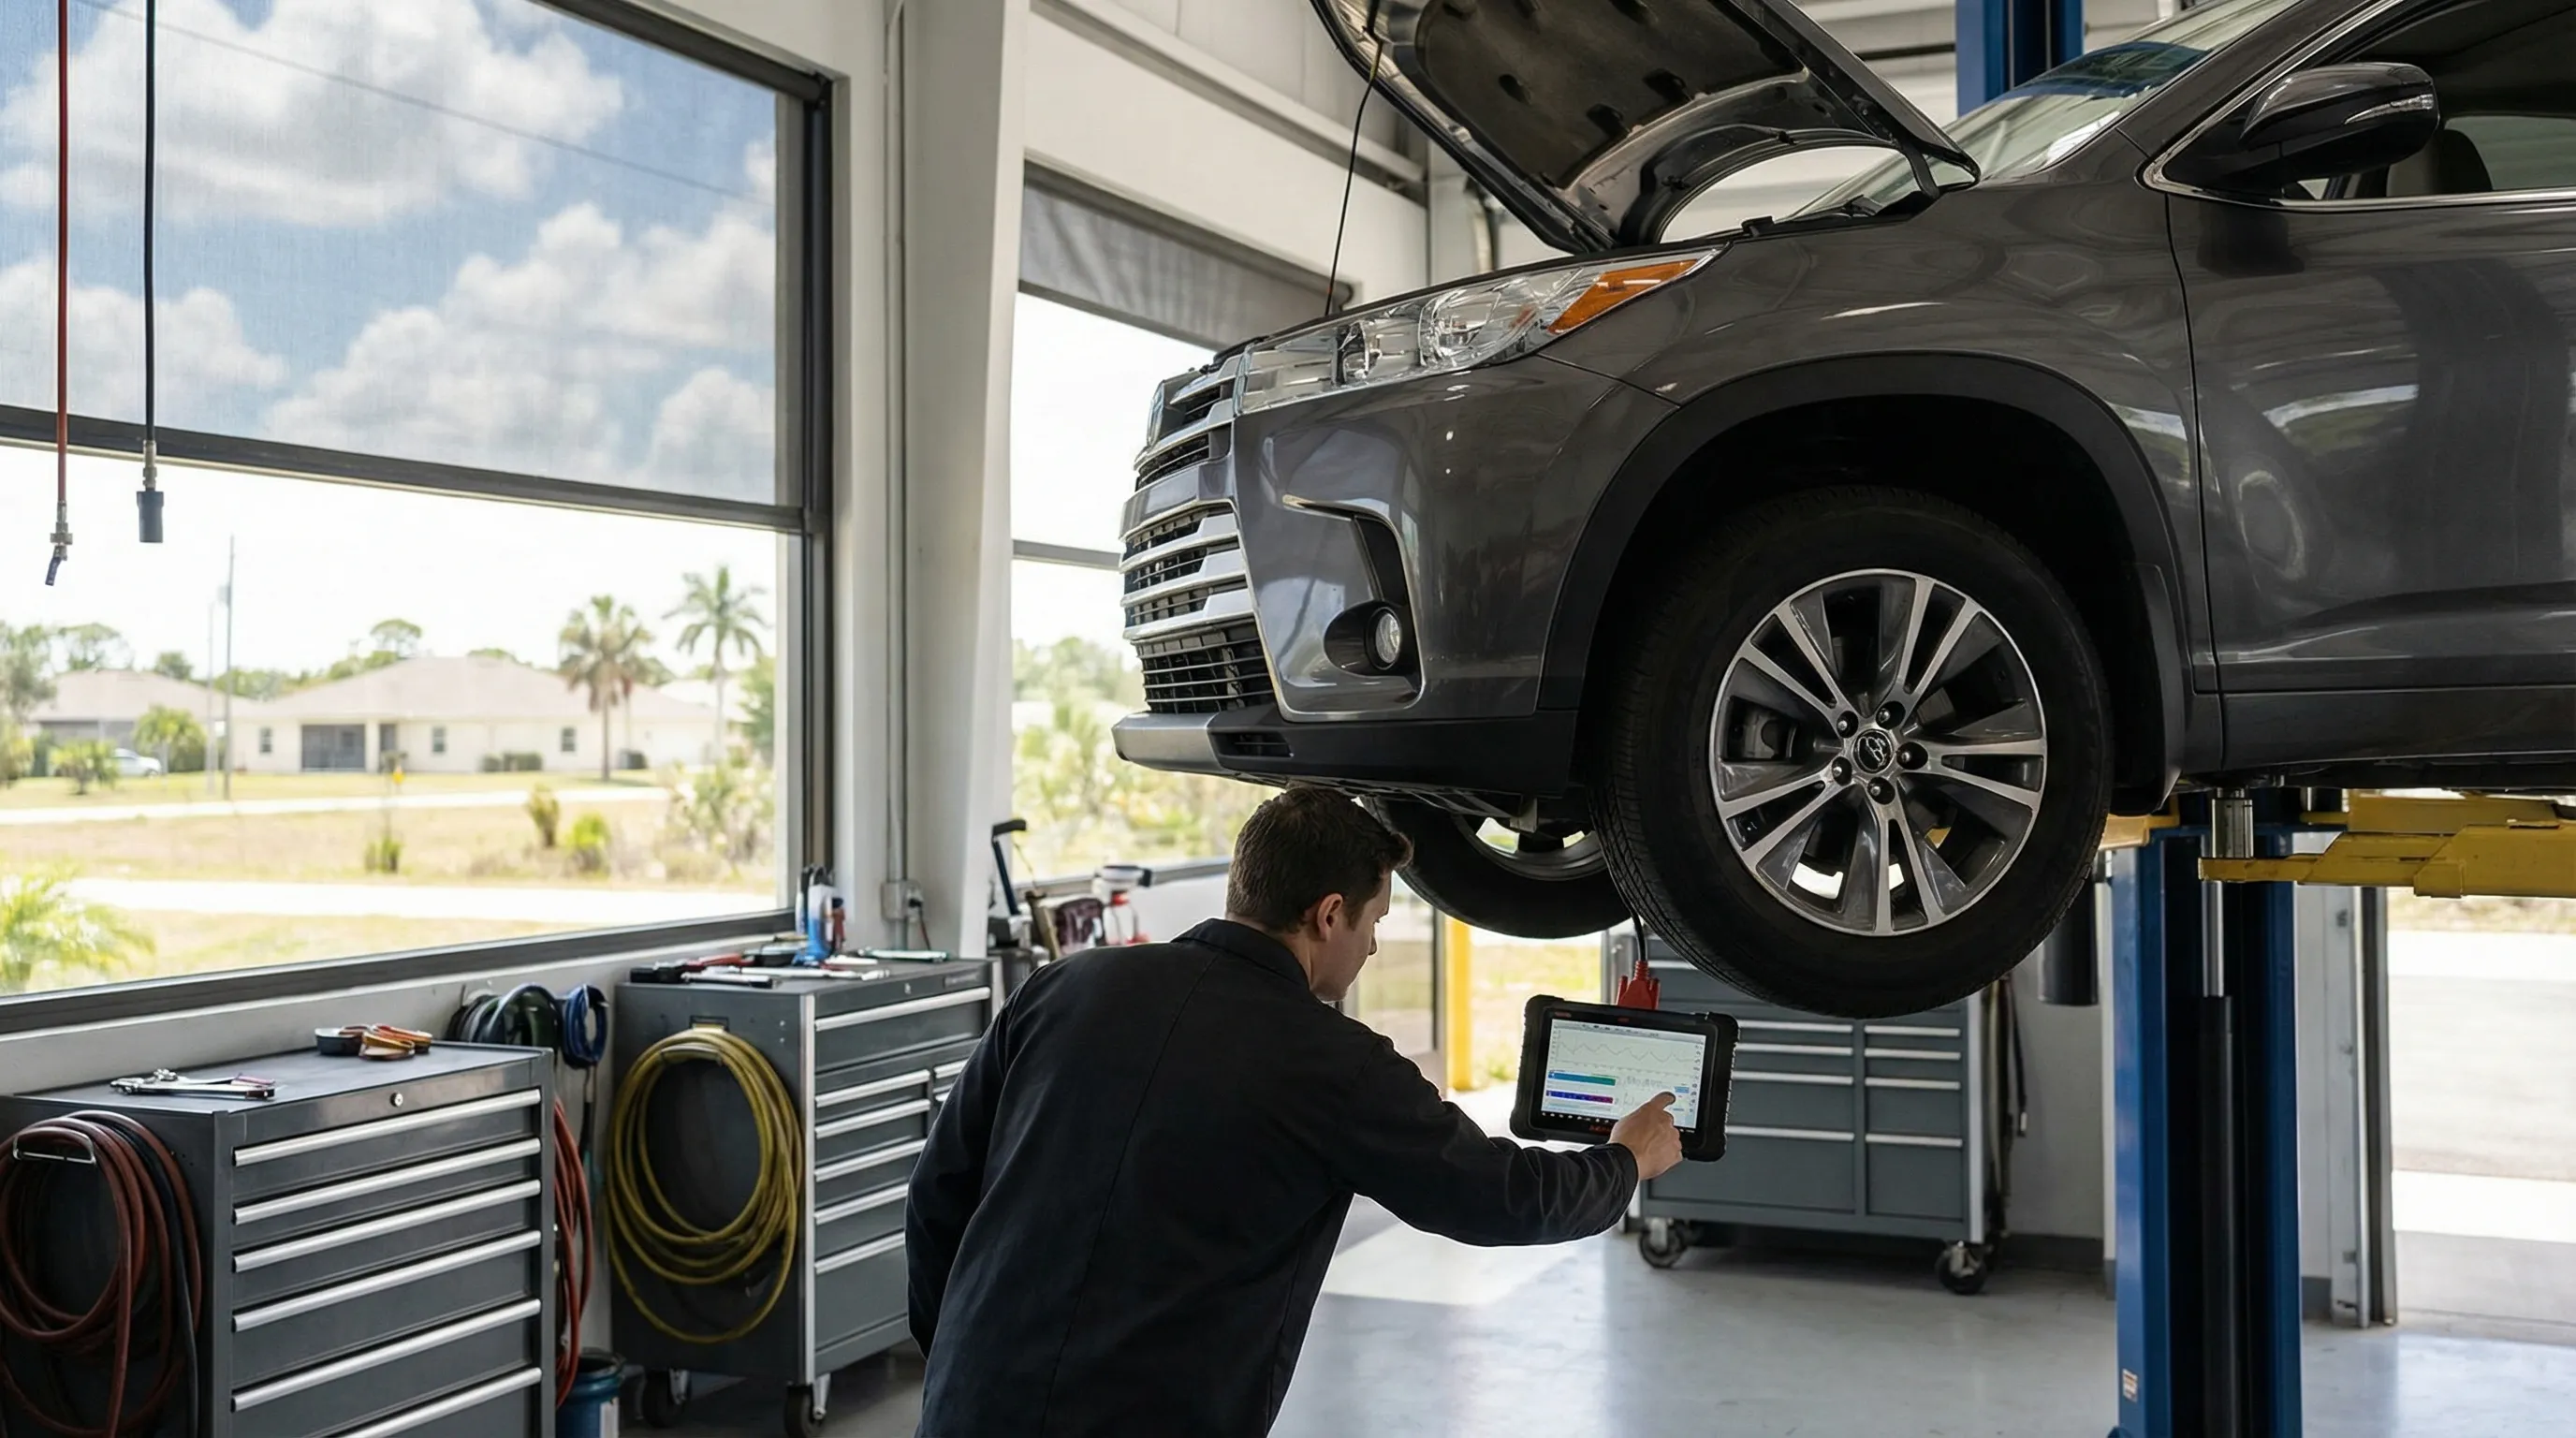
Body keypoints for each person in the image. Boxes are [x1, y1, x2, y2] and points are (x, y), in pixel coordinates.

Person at [907, 786, 1684, 1435]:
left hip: (970, 1401)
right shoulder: (1334, 1063)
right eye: (1375, 922)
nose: (1373, 949)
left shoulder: (1064, 989)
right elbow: (1500, 1197)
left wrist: (957, 1353)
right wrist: (1624, 1161)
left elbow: (938, 1189)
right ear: (1329, 914)